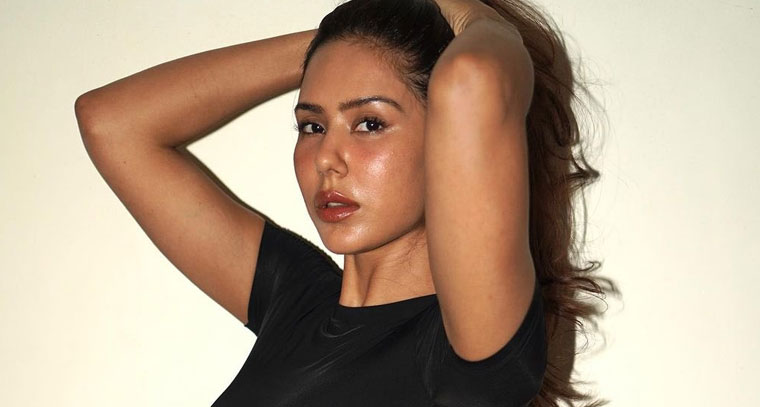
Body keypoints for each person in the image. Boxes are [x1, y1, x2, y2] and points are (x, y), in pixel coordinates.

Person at [74, 0, 618, 405]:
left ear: (448, 140)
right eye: (312, 126)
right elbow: (111, 122)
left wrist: (467, 16)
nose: (328, 158)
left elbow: (472, 79)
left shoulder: (465, 350)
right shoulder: (295, 303)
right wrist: (351, 36)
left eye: (370, 123)